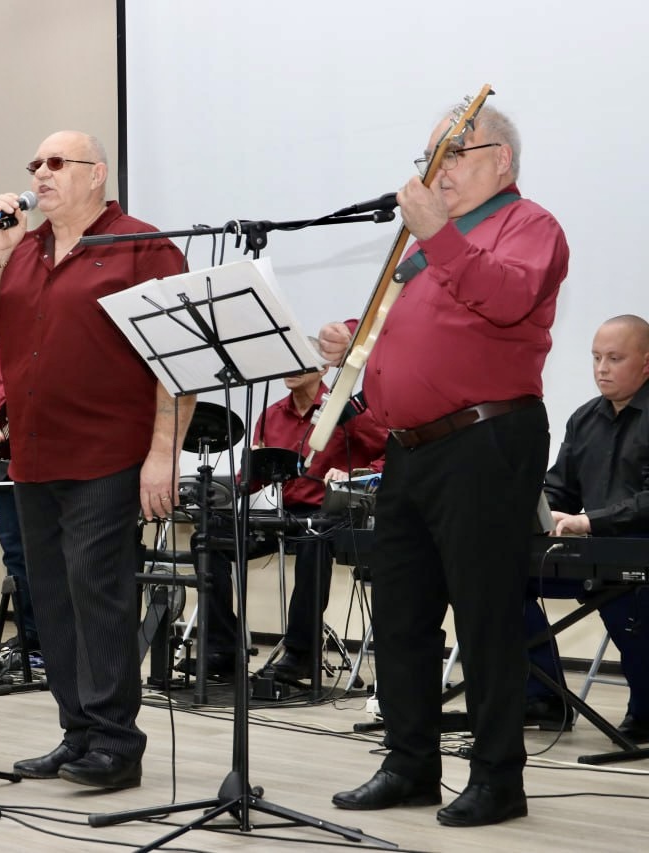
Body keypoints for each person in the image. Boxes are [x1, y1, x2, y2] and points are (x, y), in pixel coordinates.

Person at [322, 104, 569, 827]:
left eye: (456, 153)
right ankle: (409, 766)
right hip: (409, 449)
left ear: (502, 160)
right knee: (402, 615)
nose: (439, 170)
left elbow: (507, 298)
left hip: (484, 441)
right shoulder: (429, 243)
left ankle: (497, 778)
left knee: (485, 614)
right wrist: (355, 341)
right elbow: (418, 333)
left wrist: (436, 233)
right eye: (432, 156)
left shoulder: (528, 226)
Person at [0, 130, 193, 790]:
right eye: (35, 164)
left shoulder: (141, 246)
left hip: (108, 454)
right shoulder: (22, 251)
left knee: (99, 596)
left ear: (97, 174)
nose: (41, 173)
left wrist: (163, 453)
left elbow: (179, 361)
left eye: (57, 163)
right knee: (53, 600)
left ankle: (115, 742)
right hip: (35, 457)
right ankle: (78, 731)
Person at [189, 365, 389, 684]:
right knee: (209, 536)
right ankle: (223, 648)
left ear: (323, 368)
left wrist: (353, 474)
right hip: (285, 513)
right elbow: (249, 482)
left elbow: (390, 453)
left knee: (313, 537)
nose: (291, 369)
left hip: (330, 512)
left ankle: (301, 653)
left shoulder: (346, 411)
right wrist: (245, 473)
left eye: (300, 361)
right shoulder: (271, 415)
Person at [523, 315, 649, 741]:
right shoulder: (584, 419)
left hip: (639, 553)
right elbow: (560, 489)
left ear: (646, 363)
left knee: (629, 599)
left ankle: (646, 711)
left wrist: (589, 521)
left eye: (614, 358)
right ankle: (544, 697)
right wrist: (538, 514)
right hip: (595, 556)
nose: (601, 368)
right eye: (596, 358)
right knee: (500, 580)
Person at [0, 355, 38, 654]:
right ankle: (29, 634)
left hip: (44, 448)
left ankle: (59, 635)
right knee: (14, 550)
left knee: (50, 550)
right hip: (5, 456)